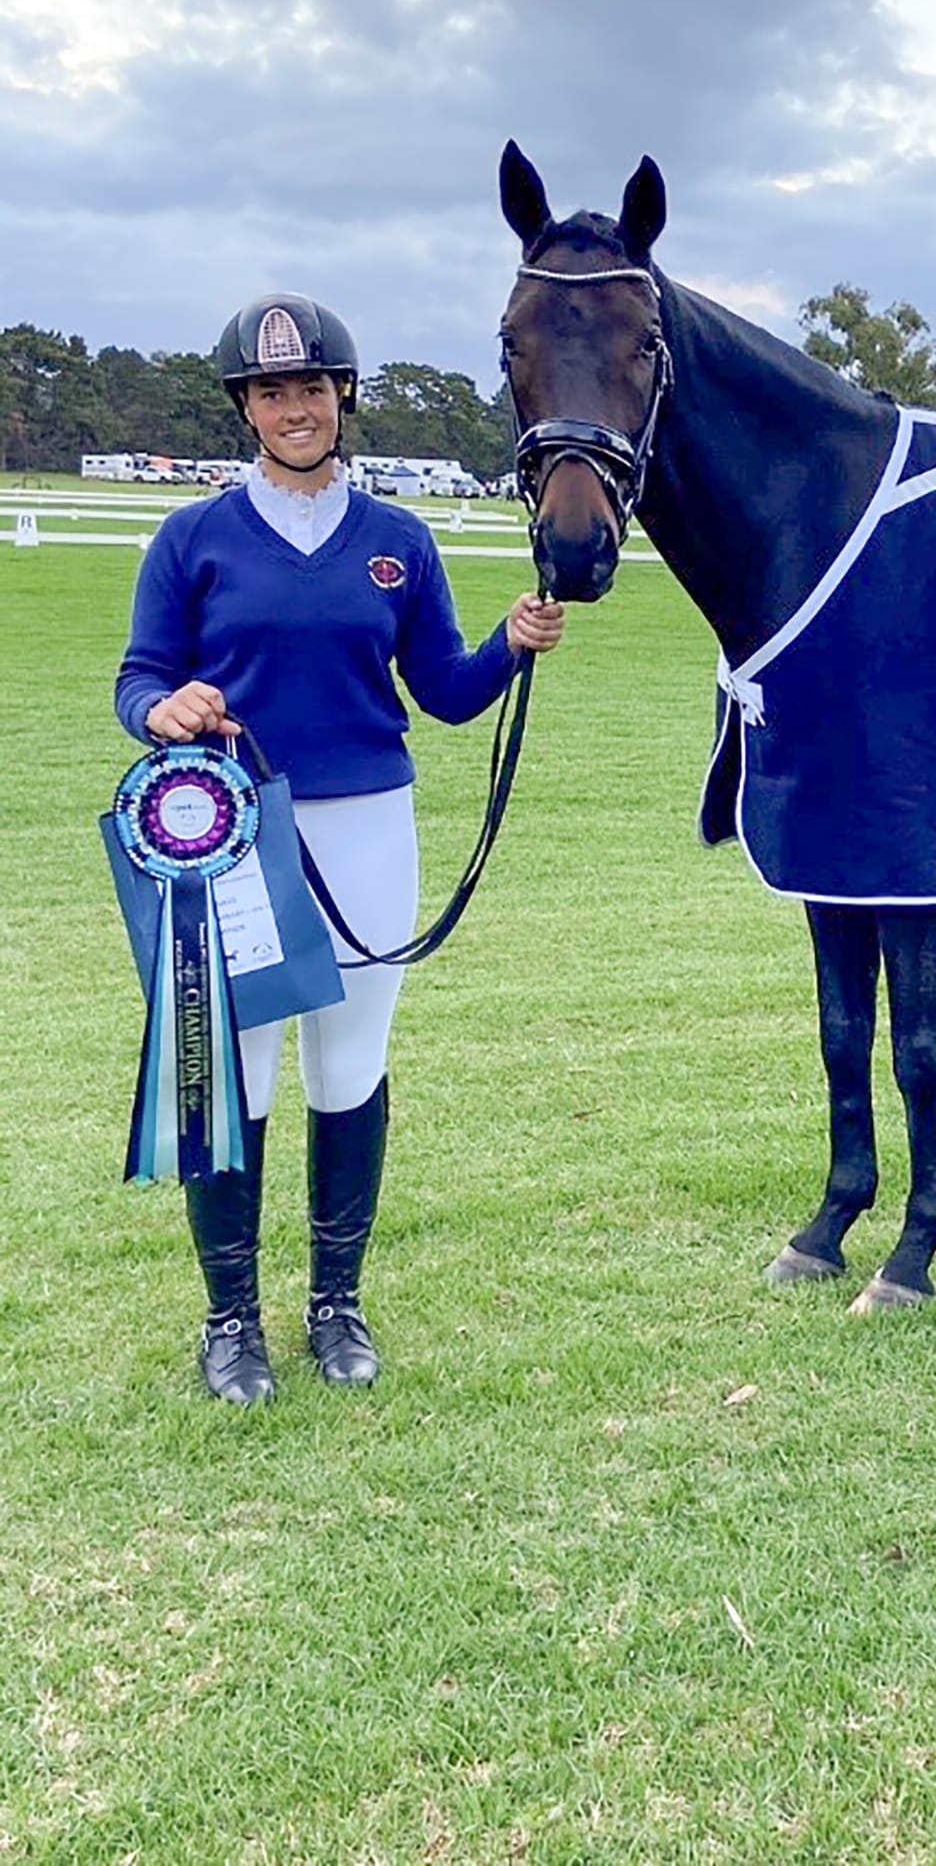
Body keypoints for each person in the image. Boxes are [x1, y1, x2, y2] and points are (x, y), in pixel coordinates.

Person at [114, 293, 564, 1405]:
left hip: (368, 825)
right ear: (247, 408)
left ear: (342, 398)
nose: (296, 406)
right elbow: (138, 676)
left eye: (312, 386)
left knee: (349, 1063)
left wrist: (508, 645)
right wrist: (159, 713)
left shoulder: (399, 540)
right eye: (273, 390)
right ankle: (230, 1319)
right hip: (235, 834)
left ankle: (335, 1303)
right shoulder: (194, 538)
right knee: (241, 1068)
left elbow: (445, 692)